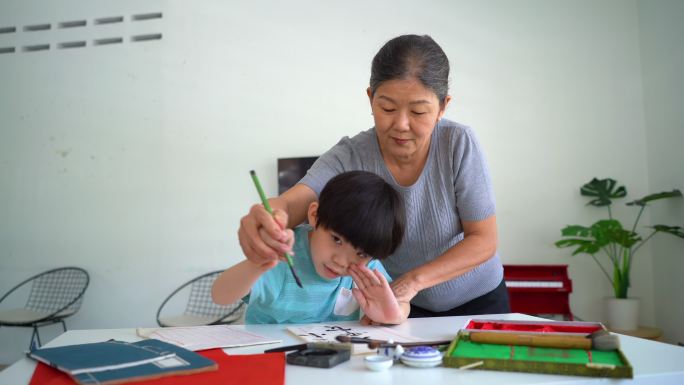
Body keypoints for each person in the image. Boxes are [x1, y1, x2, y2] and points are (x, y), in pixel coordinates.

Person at [237, 34, 510, 318]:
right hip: (400, 306)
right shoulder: (351, 154)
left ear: (443, 106)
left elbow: (484, 239)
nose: (401, 125)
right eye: (387, 108)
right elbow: (293, 203)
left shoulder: (458, 143)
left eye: (418, 111)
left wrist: (414, 280)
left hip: (478, 301)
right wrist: (269, 217)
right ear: (370, 98)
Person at [213, 170, 409, 324]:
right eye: (336, 239)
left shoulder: (366, 269)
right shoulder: (285, 256)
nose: (341, 261)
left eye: (361, 253)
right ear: (314, 215)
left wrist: (394, 314)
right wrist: (258, 264)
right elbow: (220, 295)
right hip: (272, 358)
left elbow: (400, 301)